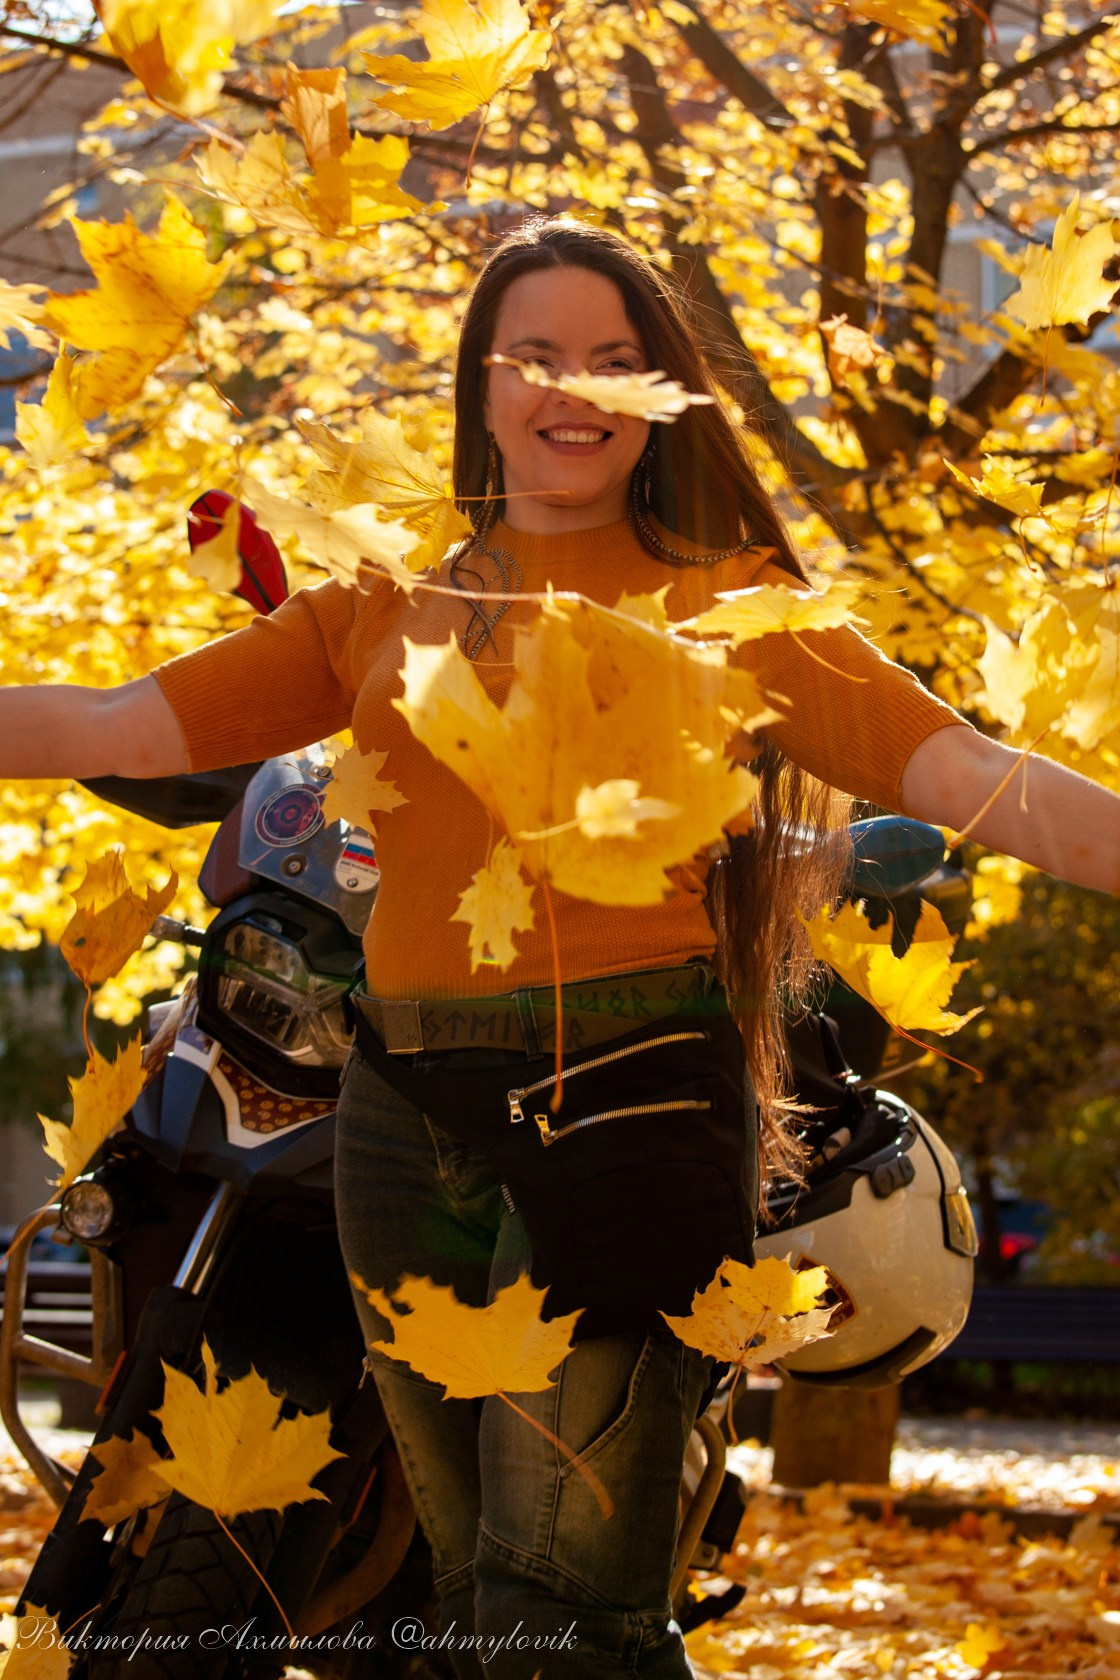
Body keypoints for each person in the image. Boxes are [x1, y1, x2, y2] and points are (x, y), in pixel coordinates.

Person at [2, 218, 1117, 1677]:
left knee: (562, 1611)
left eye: (615, 358)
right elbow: (115, 724)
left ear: (665, 396)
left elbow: (974, 777)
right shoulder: (383, 607)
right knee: (473, 1599)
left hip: (633, 1097)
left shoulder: (745, 614)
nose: (571, 386)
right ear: (480, 389)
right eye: (533, 355)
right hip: (400, 1119)